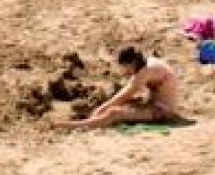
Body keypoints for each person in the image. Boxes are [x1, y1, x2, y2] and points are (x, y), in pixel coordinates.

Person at [52, 47, 184, 130]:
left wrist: (99, 110)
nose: (125, 71)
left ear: (132, 63)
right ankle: (90, 121)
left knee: (115, 113)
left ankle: (74, 125)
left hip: (164, 111)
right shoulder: (148, 65)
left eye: (125, 67)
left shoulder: (144, 73)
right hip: (156, 103)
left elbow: (121, 97)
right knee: (122, 107)